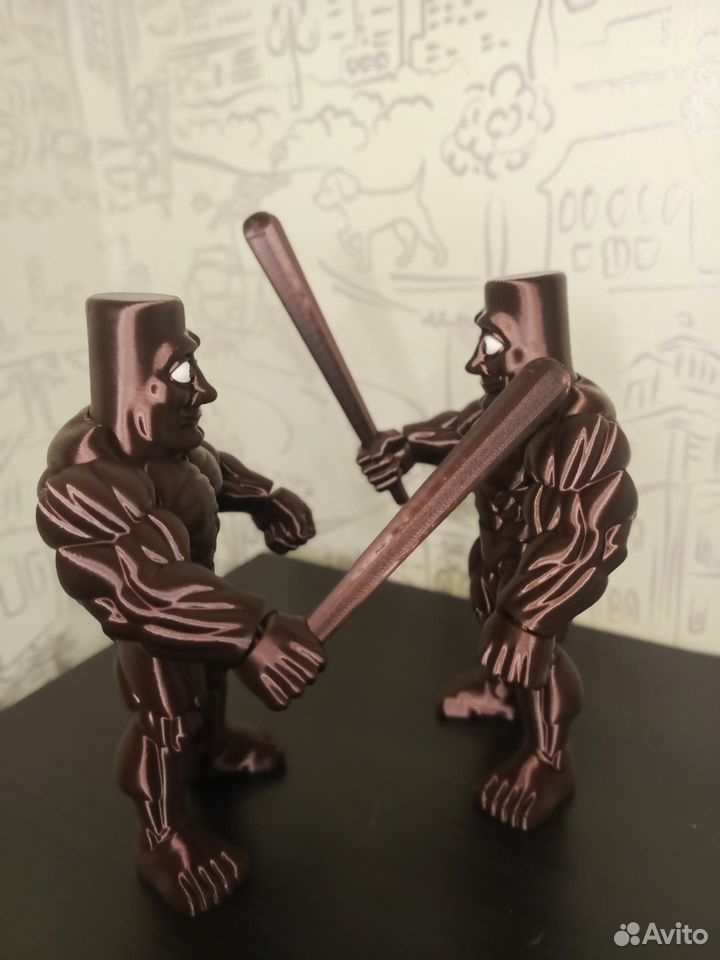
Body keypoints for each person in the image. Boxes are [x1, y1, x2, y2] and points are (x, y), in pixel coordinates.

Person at [37, 293, 325, 915]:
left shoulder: (171, 444)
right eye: (183, 372)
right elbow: (143, 587)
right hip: (155, 627)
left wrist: (265, 498)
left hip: (203, 604)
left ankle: (213, 749)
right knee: (169, 717)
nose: (205, 390)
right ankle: (162, 837)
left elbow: (210, 471)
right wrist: (253, 631)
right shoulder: (85, 480)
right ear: (132, 384)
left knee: (209, 683)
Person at [357, 273, 637, 830]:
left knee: (540, 658)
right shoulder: (500, 405)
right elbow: (460, 434)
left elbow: (587, 532)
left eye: (489, 342)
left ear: (527, 344)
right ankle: (499, 692)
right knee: (492, 625)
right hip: (494, 560)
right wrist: (404, 445)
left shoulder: (580, 421)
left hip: (538, 581)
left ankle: (549, 758)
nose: (474, 362)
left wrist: (530, 615)